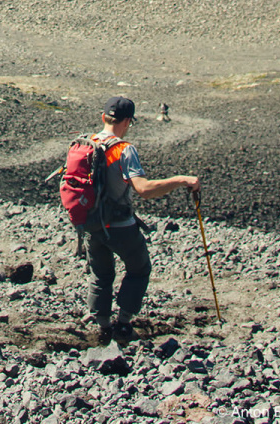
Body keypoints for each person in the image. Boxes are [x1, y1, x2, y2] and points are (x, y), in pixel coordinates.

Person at [83, 95, 199, 343]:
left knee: (101, 275)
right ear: (126, 122)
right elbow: (144, 189)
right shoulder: (124, 149)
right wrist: (181, 180)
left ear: (103, 117)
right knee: (139, 269)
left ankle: (102, 328)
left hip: (91, 224)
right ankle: (123, 325)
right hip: (120, 227)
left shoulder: (85, 143)